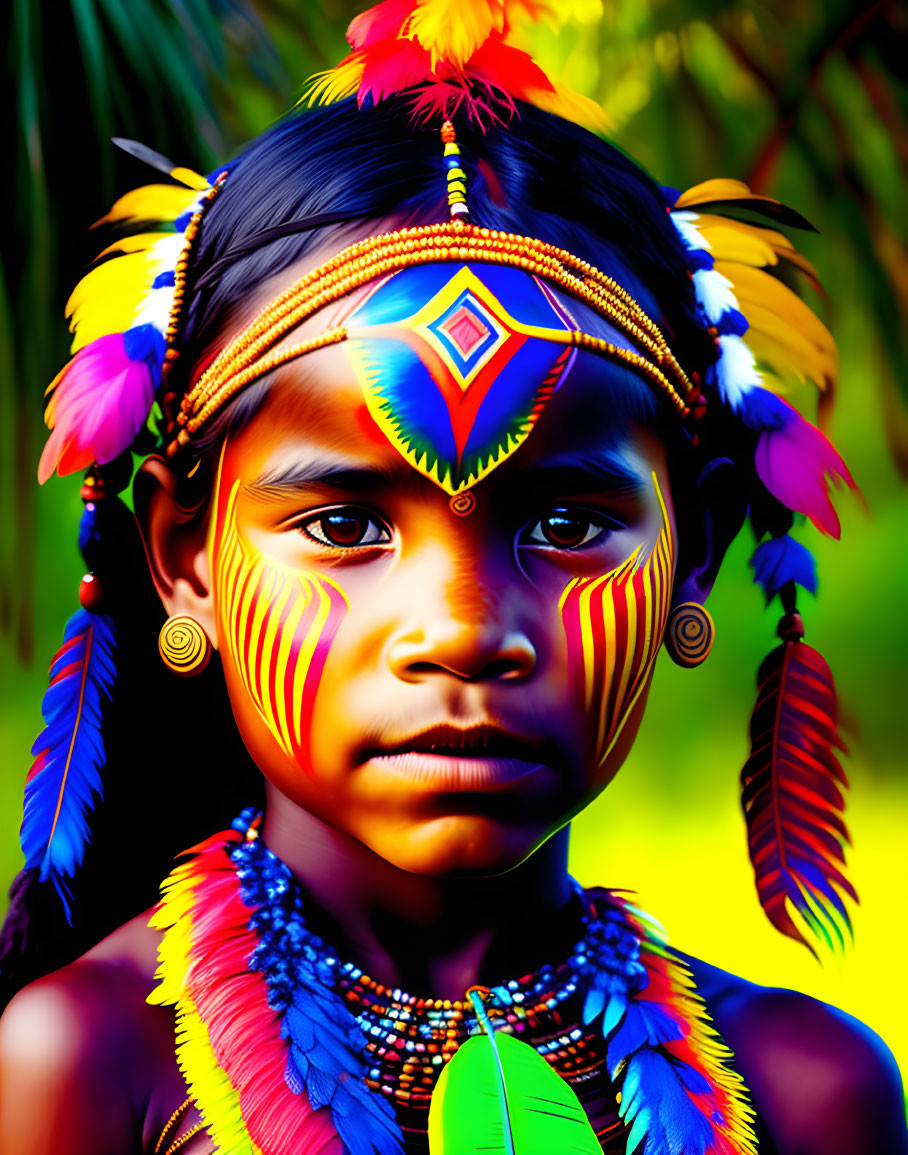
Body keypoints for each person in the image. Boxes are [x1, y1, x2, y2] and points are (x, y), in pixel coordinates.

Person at [0, 3, 904, 1153]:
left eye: (569, 520)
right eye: (341, 526)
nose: (463, 630)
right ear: (186, 560)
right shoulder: (93, 1066)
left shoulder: (803, 1094)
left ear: (696, 545)